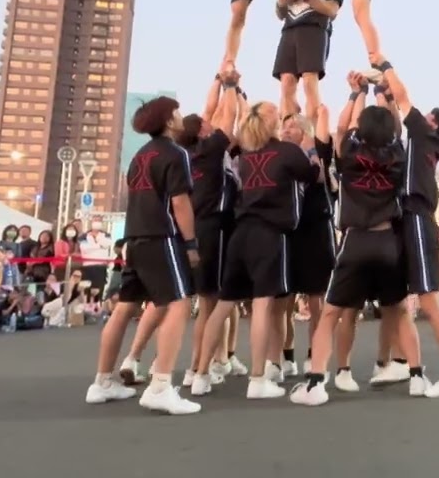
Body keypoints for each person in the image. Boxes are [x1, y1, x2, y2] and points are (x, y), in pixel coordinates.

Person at [291, 93, 416, 406]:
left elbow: (342, 127)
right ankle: (416, 375)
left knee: (332, 313)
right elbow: (397, 130)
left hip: (355, 241)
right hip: (388, 240)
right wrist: (387, 98)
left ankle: (317, 381)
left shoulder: (348, 150)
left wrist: (355, 94)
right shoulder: (398, 156)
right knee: (399, 311)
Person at [194, 99, 321, 401]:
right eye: (278, 117)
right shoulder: (288, 152)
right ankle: (258, 378)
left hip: (241, 234)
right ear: (270, 123)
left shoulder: (247, 156)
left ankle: (199, 374)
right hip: (270, 234)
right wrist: (311, 146)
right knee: (263, 305)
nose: (283, 120)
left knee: (225, 304)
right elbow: (313, 174)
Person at [85, 95, 200, 416]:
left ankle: (102, 381)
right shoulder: (175, 154)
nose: (180, 116)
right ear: (167, 120)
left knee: (125, 307)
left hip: (133, 238)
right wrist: (190, 244)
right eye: (176, 112)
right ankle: (161, 385)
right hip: (161, 236)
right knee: (179, 303)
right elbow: (180, 202)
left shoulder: (139, 155)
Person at [371, 54, 439, 397]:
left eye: (428, 116)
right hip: (404, 219)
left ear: (434, 125)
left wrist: (384, 65)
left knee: (428, 300)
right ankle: (406, 366)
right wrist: (379, 94)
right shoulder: (419, 142)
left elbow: (403, 97)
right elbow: (393, 113)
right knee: (397, 301)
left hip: (417, 219)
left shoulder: (426, 137)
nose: (421, 114)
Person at [179, 74, 240, 396]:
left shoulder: (185, 153)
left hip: (191, 230)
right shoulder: (212, 150)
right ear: (203, 130)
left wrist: (218, 81)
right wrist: (229, 87)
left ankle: (200, 365)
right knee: (211, 304)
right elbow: (227, 118)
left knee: (204, 303)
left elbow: (209, 110)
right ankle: (198, 367)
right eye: (206, 122)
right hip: (212, 229)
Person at [277, 107, 337, 381]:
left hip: (316, 231)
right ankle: (285, 356)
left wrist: (311, 146)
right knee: (284, 301)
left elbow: (323, 176)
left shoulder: (318, 153)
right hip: (289, 231)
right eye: (283, 126)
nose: (286, 130)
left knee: (316, 299)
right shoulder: (279, 156)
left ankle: (315, 355)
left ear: (304, 131)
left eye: (292, 126)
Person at [273, 0, 346, 122]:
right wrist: (283, 0)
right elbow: (280, 13)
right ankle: (288, 128)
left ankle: (312, 132)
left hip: (314, 27)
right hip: (289, 29)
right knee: (286, 82)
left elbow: (332, 11)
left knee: (309, 82)